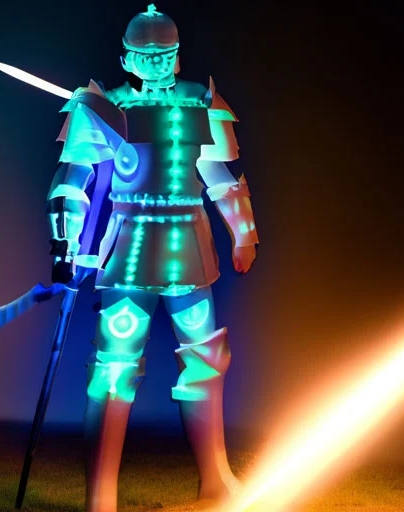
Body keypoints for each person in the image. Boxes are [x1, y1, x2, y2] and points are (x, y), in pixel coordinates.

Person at [46, 5, 259, 511]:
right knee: (114, 369)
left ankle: (215, 480)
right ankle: (101, 497)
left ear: (178, 56)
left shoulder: (199, 101)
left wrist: (244, 234)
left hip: (189, 249)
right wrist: (64, 243)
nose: (157, 63)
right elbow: (72, 181)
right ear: (127, 57)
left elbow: (219, 175)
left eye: (165, 55)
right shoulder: (105, 105)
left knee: (206, 359)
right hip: (129, 250)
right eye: (146, 55)